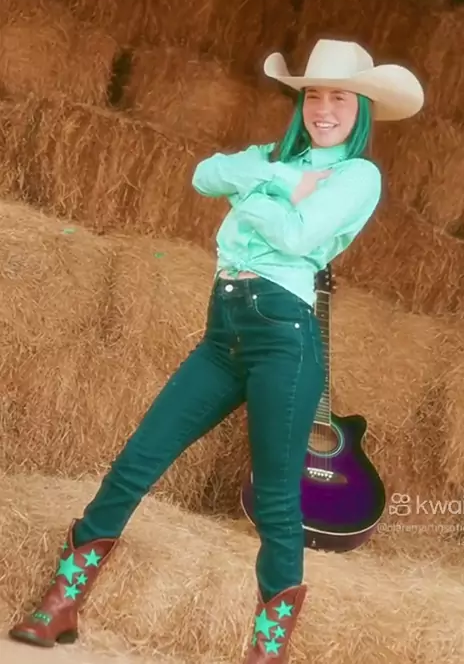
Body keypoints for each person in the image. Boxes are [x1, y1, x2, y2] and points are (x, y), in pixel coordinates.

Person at [9, 39, 424, 661]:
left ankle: (266, 651)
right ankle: (62, 602)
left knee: (278, 501)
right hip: (224, 330)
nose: (324, 109)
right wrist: (279, 179)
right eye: (313, 95)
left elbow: (298, 235)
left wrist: (250, 193)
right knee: (138, 459)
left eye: (340, 97)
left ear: (361, 108)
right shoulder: (278, 159)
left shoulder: (357, 175)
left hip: (284, 338)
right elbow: (205, 175)